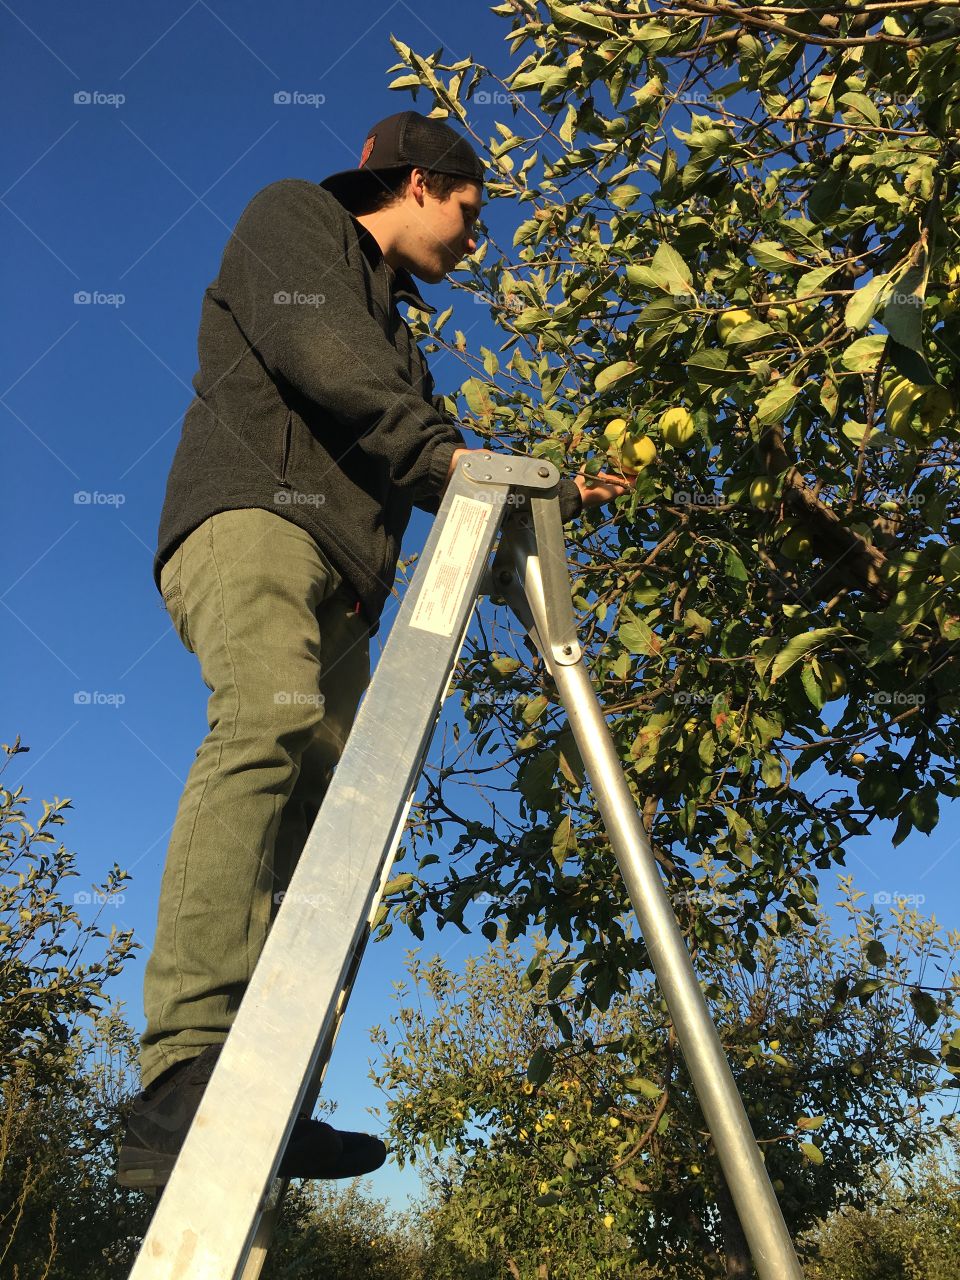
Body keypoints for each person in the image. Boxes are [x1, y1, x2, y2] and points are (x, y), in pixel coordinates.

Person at [117, 110, 634, 1190]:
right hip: (258, 517)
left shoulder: (399, 338)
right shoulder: (294, 219)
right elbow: (326, 361)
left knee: (323, 819)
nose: (475, 239)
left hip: (348, 584)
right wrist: (446, 458)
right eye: (470, 213)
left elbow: (427, 451)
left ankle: (262, 1083)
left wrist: (544, 497)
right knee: (263, 727)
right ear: (417, 181)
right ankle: (183, 1074)